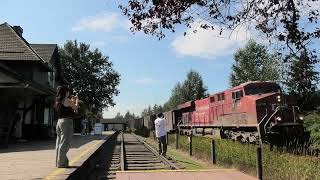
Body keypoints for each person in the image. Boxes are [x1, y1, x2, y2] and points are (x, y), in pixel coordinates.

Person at [54, 85, 79, 168]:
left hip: (59, 122)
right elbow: (75, 108)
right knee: (65, 143)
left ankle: (58, 162)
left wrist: (72, 100)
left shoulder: (58, 100)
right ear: (66, 92)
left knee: (58, 143)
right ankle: (61, 163)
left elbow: (67, 107)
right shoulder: (67, 100)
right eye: (68, 91)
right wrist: (77, 101)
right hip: (67, 122)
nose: (69, 93)